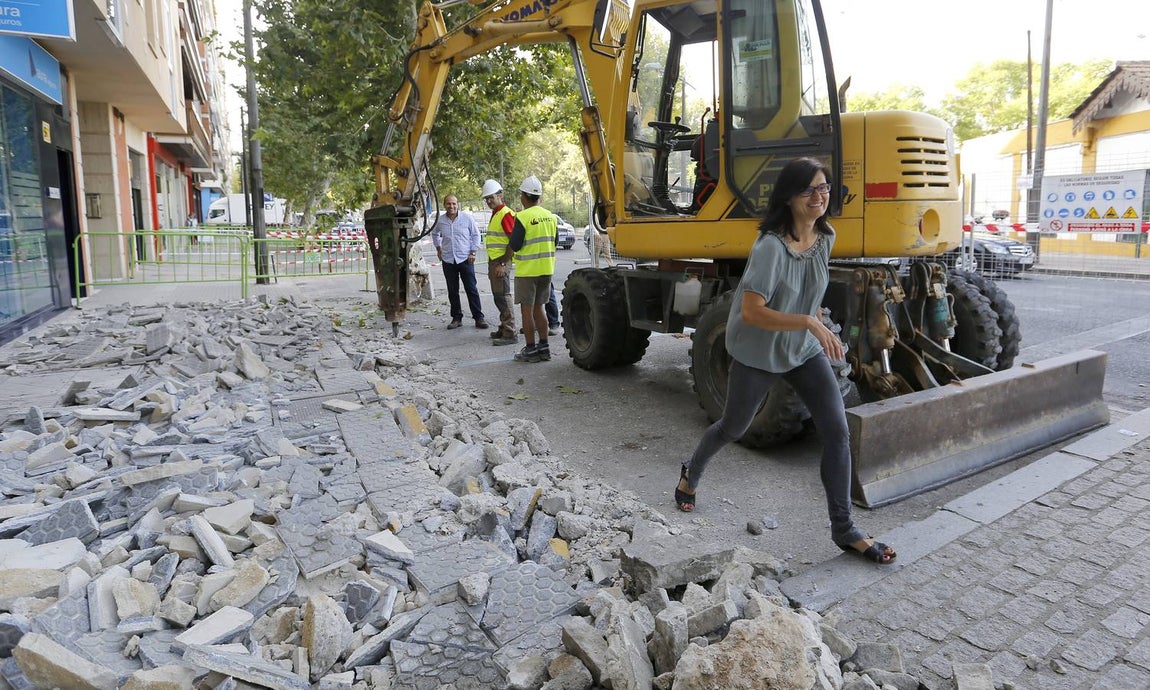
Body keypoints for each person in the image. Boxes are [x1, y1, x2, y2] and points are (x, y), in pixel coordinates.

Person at [674, 157, 897, 566]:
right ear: (789, 198)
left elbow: (807, 292)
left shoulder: (826, 237)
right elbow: (753, 312)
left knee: (837, 431)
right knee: (732, 427)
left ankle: (845, 530)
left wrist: (816, 329)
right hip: (758, 352)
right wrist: (810, 322)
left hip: (802, 350)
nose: (820, 196)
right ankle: (691, 474)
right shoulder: (770, 248)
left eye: (825, 187)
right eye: (809, 190)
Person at [499, 176, 557, 363]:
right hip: (546, 270)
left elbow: (515, 245)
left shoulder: (522, 217)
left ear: (524, 196)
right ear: (539, 196)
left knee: (527, 310)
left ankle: (530, 349)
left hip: (528, 272)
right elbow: (554, 242)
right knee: (540, 308)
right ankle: (544, 347)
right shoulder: (551, 216)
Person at [431, 194, 487, 330]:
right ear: (444, 205)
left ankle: (478, 317)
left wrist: (473, 252)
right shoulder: (441, 220)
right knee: (452, 290)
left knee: (471, 289)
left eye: (454, 204)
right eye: (449, 204)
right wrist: (438, 248)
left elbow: (475, 235)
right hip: (448, 260)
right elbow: (434, 234)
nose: (452, 206)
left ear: (458, 205)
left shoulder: (467, 218)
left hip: (465, 259)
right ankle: (457, 318)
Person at [482, 180, 518, 346]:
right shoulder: (497, 213)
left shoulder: (505, 214)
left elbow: (513, 241)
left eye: (491, 198)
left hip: (501, 261)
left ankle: (510, 332)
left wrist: (503, 263)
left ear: (500, 196)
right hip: (496, 260)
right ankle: (504, 326)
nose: (489, 201)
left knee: (503, 296)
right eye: (486, 199)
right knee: (499, 296)